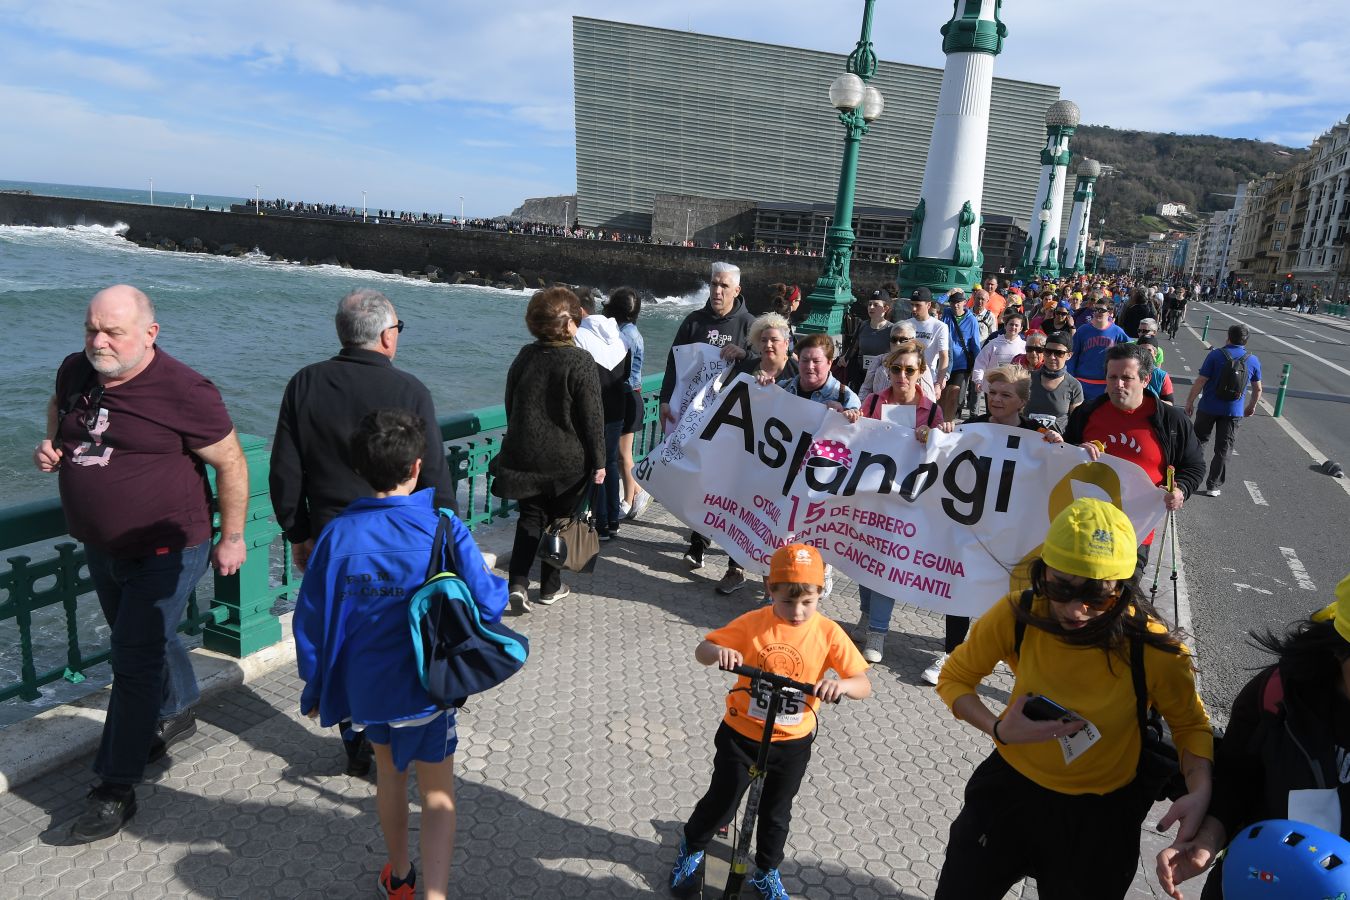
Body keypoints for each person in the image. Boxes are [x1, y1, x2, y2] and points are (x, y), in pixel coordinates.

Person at [35, 284, 249, 842]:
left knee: (131, 660)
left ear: (150, 334)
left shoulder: (186, 390)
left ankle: (115, 787)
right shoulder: (76, 370)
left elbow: (231, 462)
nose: (99, 342)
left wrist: (233, 537)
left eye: (113, 332)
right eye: (91, 329)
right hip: (102, 545)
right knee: (143, 639)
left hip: (169, 550)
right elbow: (59, 408)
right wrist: (51, 442)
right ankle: (176, 707)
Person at [934, 498, 1214, 900]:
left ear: (1122, 587)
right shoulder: (1019, 613)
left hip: (1099, 818)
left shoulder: (1154, 648)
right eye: (1060, 587)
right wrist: (997, 728)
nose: (1075, 610)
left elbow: (1190, 725)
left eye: (1096, 596)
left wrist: (1200, 790)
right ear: (1042, 571)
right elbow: (955, 679)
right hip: (1008, 793)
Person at [294, 409, 507, 900]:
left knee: (389, 779)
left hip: (368, 690)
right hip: (427, 686)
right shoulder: (442, 527)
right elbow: (488, 602)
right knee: (437, 794)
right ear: (416, 466)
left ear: (358, 469)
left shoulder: (337, 536)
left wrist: (316, 688)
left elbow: (311, 623)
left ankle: (401, 877)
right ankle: (435, 894)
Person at [270, 287, 458, 776]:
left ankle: (356, 738)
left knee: (340, 635)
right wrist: (445, 538)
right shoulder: (411, 390)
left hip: (335, 537)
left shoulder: (305, 383)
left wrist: (297, 532)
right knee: (396, 629)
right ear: (386, 337)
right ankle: (401, 726)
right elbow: (435, 474)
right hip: (404, 540)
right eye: (398, 328)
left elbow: (285, 468)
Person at [669, 543, 872, 900]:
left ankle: (766, 869)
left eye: (808, 601)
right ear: (770, 589)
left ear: (821, 593)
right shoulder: (753, 623)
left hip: (791, 742)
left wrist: (841, 685)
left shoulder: (827, 632)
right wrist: (720, 651)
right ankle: (693, 846)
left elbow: (863, 684)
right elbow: (703, 650)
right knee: (722, 800)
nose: (798, 611)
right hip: (741, 735)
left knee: (776, 813)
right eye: (788, 601)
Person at [1156, 573, 1350, 900]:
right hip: (1256, 881)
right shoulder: (1281, 694)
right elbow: (1237, 778)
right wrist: (1206, 840)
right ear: (1340, 649)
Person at [920, 366, 1064, 685]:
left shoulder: (1038, 435)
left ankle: (1010, 657)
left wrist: (1058, 444)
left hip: (1013, 533)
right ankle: (953, 653)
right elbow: (940, 452)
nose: (996, 400)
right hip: (971, 527)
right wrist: (940, 432)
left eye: (1005, 395)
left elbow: (1060, 467)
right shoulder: (973, 428)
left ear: (1022, 401)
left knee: (1009, 598)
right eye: (992, 393)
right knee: (960, 587)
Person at [491, 287, 605, 613]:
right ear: (568, 324)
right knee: (560, 522)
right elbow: (592, 418)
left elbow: (511, 404)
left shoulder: (525, 356)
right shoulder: (580, 360)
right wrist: (599, 461)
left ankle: (517, 583)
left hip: (525, 454)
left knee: (530, 518)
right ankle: (550, 587)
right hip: (568, 460)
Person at [852, 341, 953, 663]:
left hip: (907, 500)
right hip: (871, 494)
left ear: (921, 372)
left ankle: (878, 632)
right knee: (864, 559)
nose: (902, 376)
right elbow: (857, 438)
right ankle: (866, 614)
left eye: (910, 370)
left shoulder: (932, 411)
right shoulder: (873, 401)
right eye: (896, 369)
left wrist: (937, 434)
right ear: (888, 371)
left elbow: (942, 455)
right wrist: (852, 419)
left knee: (886, 562)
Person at [1066, 343, 1205, 573]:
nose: (1118, 384)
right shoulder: (1086, 413)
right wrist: (1075, 451)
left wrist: (1181, 490)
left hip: (1136, 532)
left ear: (1145, 380)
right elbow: (1064, 454)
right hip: (1085, 524)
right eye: (1112, 377)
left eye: (1127, 378)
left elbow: (1194, 465)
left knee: (1122, 592)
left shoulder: (1171, 421)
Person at [658, 263, 756, 572]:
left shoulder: (749, 325)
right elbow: (674, 362)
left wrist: (745, 355)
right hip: (695, 417)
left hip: (732, 421)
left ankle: (732, 560)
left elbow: (766, 366)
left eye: (724, 286)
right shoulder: (693, 321)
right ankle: (698, 542)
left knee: (725, 485)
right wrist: (665, 399)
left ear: (736, 290)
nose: (717, 291)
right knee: (699, 480)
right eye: (714, 284)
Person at [709, 313, 798, 596]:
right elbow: (726, 401)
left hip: (782, 462)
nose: (769, 345)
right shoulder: (747, 368)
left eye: (774, 340)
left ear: (786, 343)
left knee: (772, 519)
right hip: (747, 454)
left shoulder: (796, 372)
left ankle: (771, 581)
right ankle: (735, 569)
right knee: (741, 511)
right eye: (764, 340)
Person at [574, 291, 632, 540]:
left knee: (594, 464)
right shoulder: (620, 337)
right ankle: (612, 521)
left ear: (579, 311)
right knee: (609, 463)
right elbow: (626, 374)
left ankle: (599, 522)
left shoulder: (579, 337)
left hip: (594, 411)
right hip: (618, 407)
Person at [1184, 325, 1262, 498]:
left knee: (1198, 443)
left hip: (1208, 407)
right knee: (1224, 448)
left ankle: (1190, 479)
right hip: (1233, 411)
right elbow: (1257, 389)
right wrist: (1251, 406)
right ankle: (1213, 485)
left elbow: (1201, 380)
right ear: (1246, 341)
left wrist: (1190, 401)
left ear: (1228, 337)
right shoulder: (1252, 360)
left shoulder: (1215, 355)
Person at [603, 288, 650, 522]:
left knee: (623, 455)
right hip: (632, 396)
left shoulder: (624, 334)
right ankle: (635, 495)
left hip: (627, 397)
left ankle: (631, 499)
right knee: (622, 454)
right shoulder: (630, 331)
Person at [1068, 299, 1130, 401]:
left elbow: (1130, 352)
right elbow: (1072, 355)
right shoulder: (1083, 330)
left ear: (1109, 312)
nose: (1097, 313)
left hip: (1106, 383)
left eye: (1101, 310)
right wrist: (1071, 377)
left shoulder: (1117, 332)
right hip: (1082, 382)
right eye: (1095, 309)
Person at [896, 287, 950, 395]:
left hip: (927, 380)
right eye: (912, 305)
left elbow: (944, 357)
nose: (914, 309)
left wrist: (938, 384)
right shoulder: (905, 324)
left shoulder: (940, 327)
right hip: (905, 379)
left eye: (918, 305)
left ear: (928, 305)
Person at [1026, 330, 1083, 433]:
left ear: (1069, 355)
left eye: (1059, 353)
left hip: (1057, 441)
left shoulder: (1074, 385)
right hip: (1027, 438)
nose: (1052, 357)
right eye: (1048, 351)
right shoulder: (1027, 378)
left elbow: (1077, 423)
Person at [941, 289, 983, 422]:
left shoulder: (972, 320)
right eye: (953, 302)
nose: (956, 305)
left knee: (954, 395)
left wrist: (977, 367)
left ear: (965, 302)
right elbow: (933, 305)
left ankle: (948, 423)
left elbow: (975, 345)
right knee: (941, 396)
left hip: (961, 364)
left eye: (959, 302)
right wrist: (949, 293)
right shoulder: (945, 313)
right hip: (943, 362)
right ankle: (939, 422)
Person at [845, 290, 896, 391]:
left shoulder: (892, 329)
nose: (871, 307)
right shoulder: (862, 325)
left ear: (885, 308)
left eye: (876, 305)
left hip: (882, 378)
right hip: (861, 376)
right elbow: (853, 347)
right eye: (869, 304)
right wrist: (845, 358)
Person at [971, 312, 1027, 394]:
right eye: (1011, 324)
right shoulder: (993, 343)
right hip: (993, 387)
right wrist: (978, 380)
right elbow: (981, 363)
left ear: (1021, 328)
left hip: (1013, 388)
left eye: (1016, 325)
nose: (1013, 327)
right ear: (1005, 325)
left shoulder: (1024, 346)